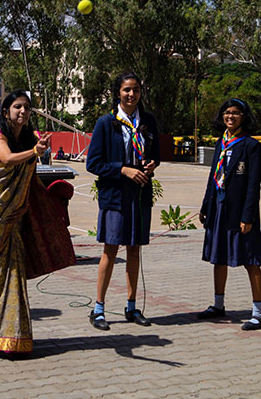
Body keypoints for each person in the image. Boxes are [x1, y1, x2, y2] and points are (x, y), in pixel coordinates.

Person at [0, 90, 75, 355]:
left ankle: (14, 336)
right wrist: (33, 151)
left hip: (14, 216)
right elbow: (6, 159)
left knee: (14, 274)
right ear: (6, 111)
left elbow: (29, 175)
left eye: (27, 108)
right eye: (17, 107)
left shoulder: (30, 139)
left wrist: (35, 150)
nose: (23, 112)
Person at [86, 72, 160, 331]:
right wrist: (123, 169)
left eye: (136, 90)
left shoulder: (147, 122)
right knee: (111, 249)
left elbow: (156, 155)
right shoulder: (107, 123)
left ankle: (131, 306)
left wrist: (150, 165)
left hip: (139, 196)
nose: (132, 95)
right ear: (118, 92)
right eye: (127, 90)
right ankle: (98, 309)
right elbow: (93, 163)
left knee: (134, 250)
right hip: (115, 197)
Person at [197, 98, 261, 330]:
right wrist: (206, 206)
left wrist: (247, 217)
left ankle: (258, 313)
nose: (230, 116)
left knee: (250, 259)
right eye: (227, 112)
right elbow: (212, 177)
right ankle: (219, 305)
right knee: (218, 257)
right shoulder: (221, 143)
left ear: (244, 117)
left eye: (236, 113)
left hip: (240, 213)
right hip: (219, 208)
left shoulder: (251, 146)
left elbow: (253, 185)